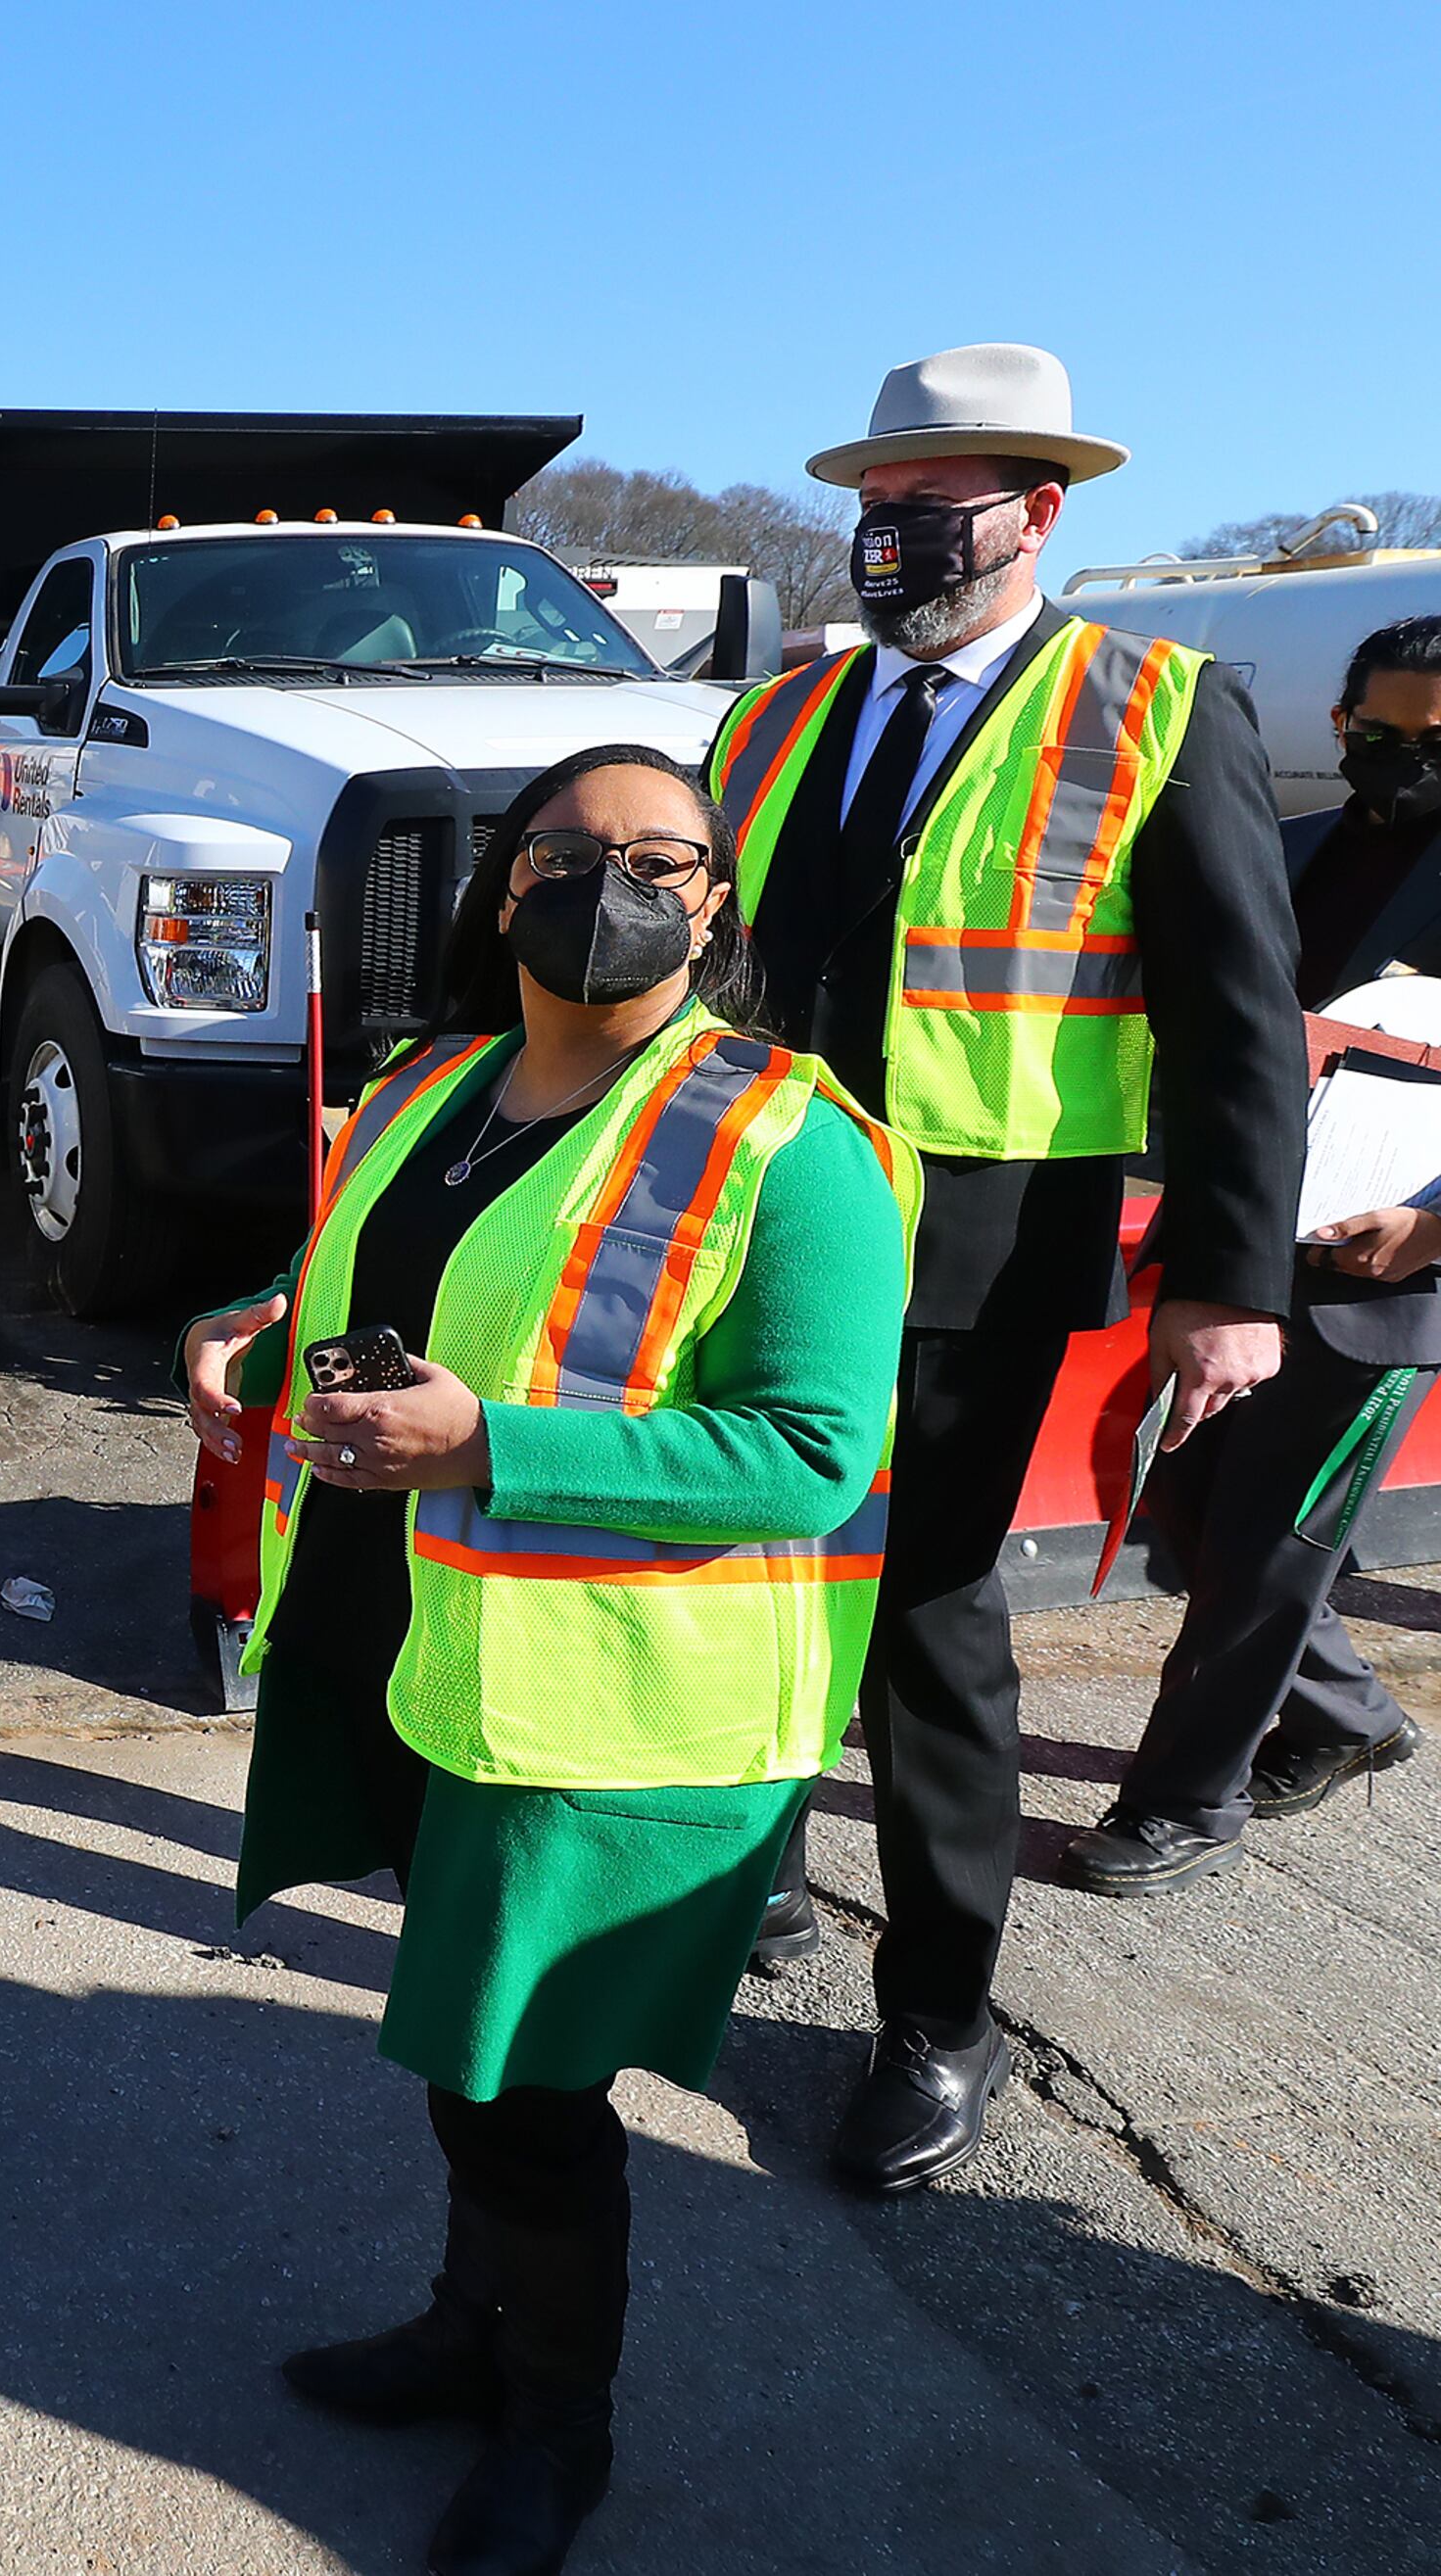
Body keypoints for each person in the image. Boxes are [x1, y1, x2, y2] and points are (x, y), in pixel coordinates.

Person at [179, 744, 916, 2576]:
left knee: (529, 2091)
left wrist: (487, 1444)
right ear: (501, 883)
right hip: (417, 1636)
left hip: (600, 1696)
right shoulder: (438, 1080)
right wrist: (265, 1330)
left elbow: (815, 1454)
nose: (612, 882)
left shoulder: (790, 1141)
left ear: (717, 904)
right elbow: (394, 1282)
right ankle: (464, 2328)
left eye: (661, 855)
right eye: (568, 849)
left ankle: (553, 2433)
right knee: (467, 2057)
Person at [709, 344, 1306, 2191]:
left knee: (928, 1618)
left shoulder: (1154, 708)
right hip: (757, 1222)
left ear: (1039, 511)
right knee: (739, 1560)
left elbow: (1238, 1026)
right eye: (872, 503)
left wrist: (1230, 1281)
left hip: (981, 1243)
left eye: (927, 504)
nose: (887, 535)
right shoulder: (783, 717)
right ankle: (753, 1886)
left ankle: (940, 2016)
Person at [1062, 617, 1441, 1890]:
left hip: (1382, 1275)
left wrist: (1433, 1227)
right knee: (1180, 1508)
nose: (1403, 760)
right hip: (1238, 1241)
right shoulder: (1278, 847)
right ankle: (1348, 1712)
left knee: (1270, 1545)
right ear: (1338, 727)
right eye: (1380, 734)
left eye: (1434, 742)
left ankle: (1186, 1799)